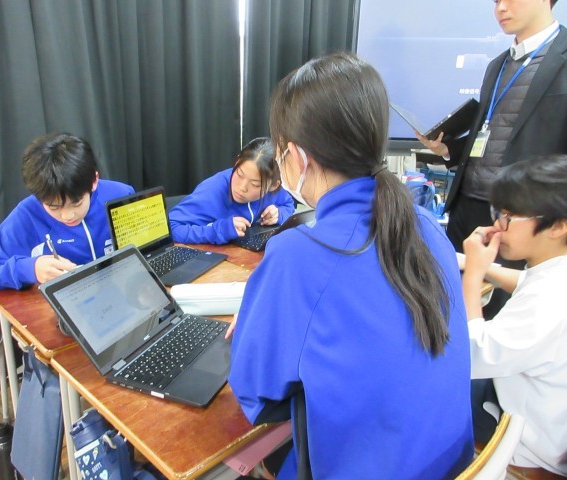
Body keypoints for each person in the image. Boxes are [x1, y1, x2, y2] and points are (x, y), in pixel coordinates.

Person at [228, 52, 474, 479]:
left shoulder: (298, 255)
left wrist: (260, 320)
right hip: (449, 463)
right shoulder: (426, 226)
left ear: (296, 157)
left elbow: (255, 391)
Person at [417, 0, 566, 253]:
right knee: (456, 276)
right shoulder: (497, 65)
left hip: (523, 215)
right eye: (496, 1)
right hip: (466, 204)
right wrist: (448, 149)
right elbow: (492, 131)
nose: (501, 8)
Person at [461, 154, 567, 477]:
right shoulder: (554, 271)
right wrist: (477, 265)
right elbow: (525, 282)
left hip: (527, 447)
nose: (497, 226)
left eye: (508, 217)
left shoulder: (548, 300)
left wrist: (473, 276)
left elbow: (471, 354)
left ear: (558, 225)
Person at [0, 132, 134, 299]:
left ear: (94, 181)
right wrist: (30, 269)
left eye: (76, 203)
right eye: (53, 207)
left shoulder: (121, 195)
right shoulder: (26, 216)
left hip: (123, 296)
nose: (67, 216)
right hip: (66, 307)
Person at [168, 137, 295, 244]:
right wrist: (217, 231)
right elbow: (170, 229)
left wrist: (279, 214)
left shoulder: (274, 191)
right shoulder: (212, 190)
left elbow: (289, 204)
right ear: (237, 161)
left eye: (255, 184)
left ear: (273, 186)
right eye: (239, 174)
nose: (242, 187)